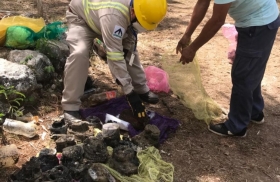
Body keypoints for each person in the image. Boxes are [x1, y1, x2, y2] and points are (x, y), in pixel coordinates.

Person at [176, 0, 280, 137]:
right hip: (260, 21)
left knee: (242, 75)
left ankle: (237, 126)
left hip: (259, 24)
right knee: (251, 69)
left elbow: (217, 20)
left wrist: (193, 48)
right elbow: (202, 2)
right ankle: (255, 112)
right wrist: (187, 34)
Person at [62, 0, 167, 124]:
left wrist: (137, 89)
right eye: (141, 22)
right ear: (133, 11)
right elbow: (115, 57)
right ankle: (70, 106)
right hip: (81, 19)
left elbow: (128, 46)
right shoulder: (114, 16)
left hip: (108, 20)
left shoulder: (139, 7)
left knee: (128, 51)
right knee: (79, 53)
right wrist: (129, 92)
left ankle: (141, 88)